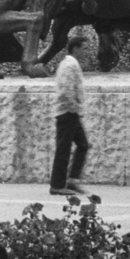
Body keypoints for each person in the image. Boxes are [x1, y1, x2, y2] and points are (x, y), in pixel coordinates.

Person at [50, 33, 91, 196]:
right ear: (75, 49)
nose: (87, 52)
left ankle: (73, 180)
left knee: (83, 145)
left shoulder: (72, 64)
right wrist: (75, 107)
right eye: (85, 49)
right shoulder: (69, 65)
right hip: (67, 112)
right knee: (64, 149)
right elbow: (67, 90)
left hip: (72, 111)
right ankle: (57, 185)